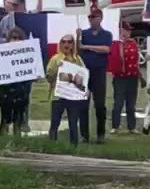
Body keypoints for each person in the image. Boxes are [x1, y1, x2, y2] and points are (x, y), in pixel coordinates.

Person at [78, 8, 113, 144]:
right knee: (83, 104)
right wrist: (78, 37)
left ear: (100, 18)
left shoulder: (106, 34)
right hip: (84, 72)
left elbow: (106, 49)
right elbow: (78, 48)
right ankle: (84, 135)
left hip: (99, 72)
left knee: (99, 105)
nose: (91, 19)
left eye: (94, 17)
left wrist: (87, 46)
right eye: (90, 17)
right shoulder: (84, 33)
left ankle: (100, 134)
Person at [46, 34, 87, 145]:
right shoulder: (55, 59)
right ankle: (51, 145)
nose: (66, 44)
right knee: (55, 122)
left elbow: (84, 75)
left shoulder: (77, 59)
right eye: (64, 42)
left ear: (73, 44)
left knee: (73, 123)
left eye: (69, 42)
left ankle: (74, 147)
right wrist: (57, 69)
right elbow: (49, 78)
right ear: (60, 44)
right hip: (58, 95)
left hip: (73, 96)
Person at [0, 27, 34, 136]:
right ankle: (3, 141)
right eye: (13, 38)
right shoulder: (1, 53)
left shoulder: (28, 55)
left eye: (18, 38)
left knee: (18, 119)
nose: (15, 40)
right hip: (6, 92)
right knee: (5, 119)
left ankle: (17, 141)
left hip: (21, 92)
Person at [107, 21, 142, 134]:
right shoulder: (115, 44)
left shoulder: (133, 43)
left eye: (128, 30)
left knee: (131, 104)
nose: (128, 32)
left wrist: (141, 77)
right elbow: (117, 59)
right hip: (120, 77)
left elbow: (136, 62)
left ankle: (131, 126)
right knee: (118, 102)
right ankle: (115, 126)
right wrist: (120, 44)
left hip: (132, 77)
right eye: (125, 30)